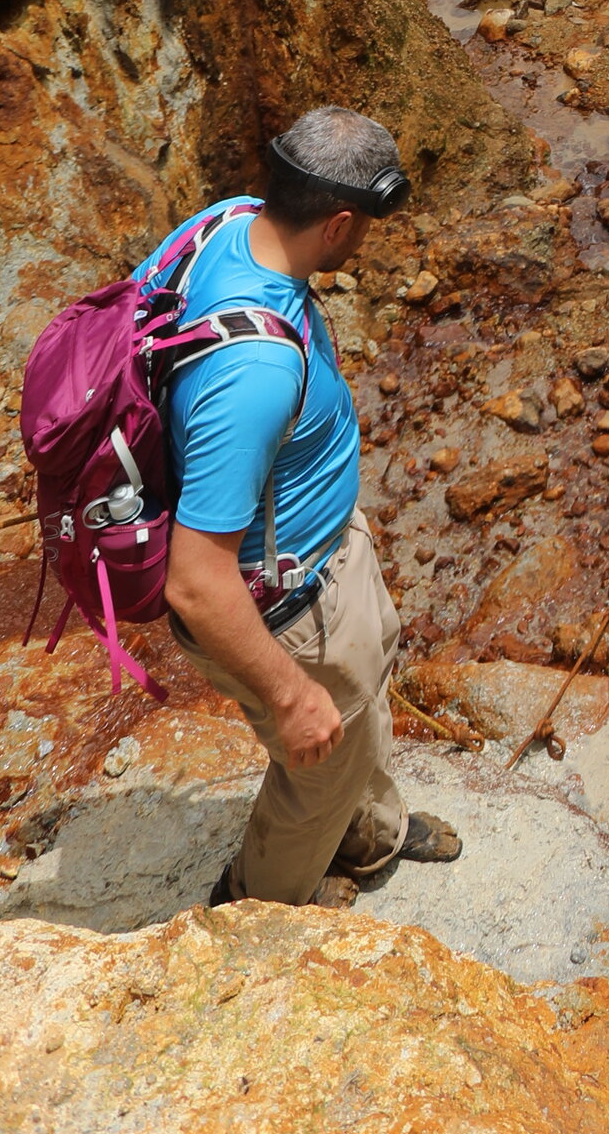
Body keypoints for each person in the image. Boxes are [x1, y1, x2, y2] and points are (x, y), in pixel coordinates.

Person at [142, 105, 462, 906]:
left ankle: (368, 833)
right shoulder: (252, 373)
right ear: (340, 223)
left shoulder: (229, 221)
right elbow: (194, 583)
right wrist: (290, 694)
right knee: (314, 773)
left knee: (360, 710)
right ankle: (258, 907)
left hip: (323, 558)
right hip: (287, 610)